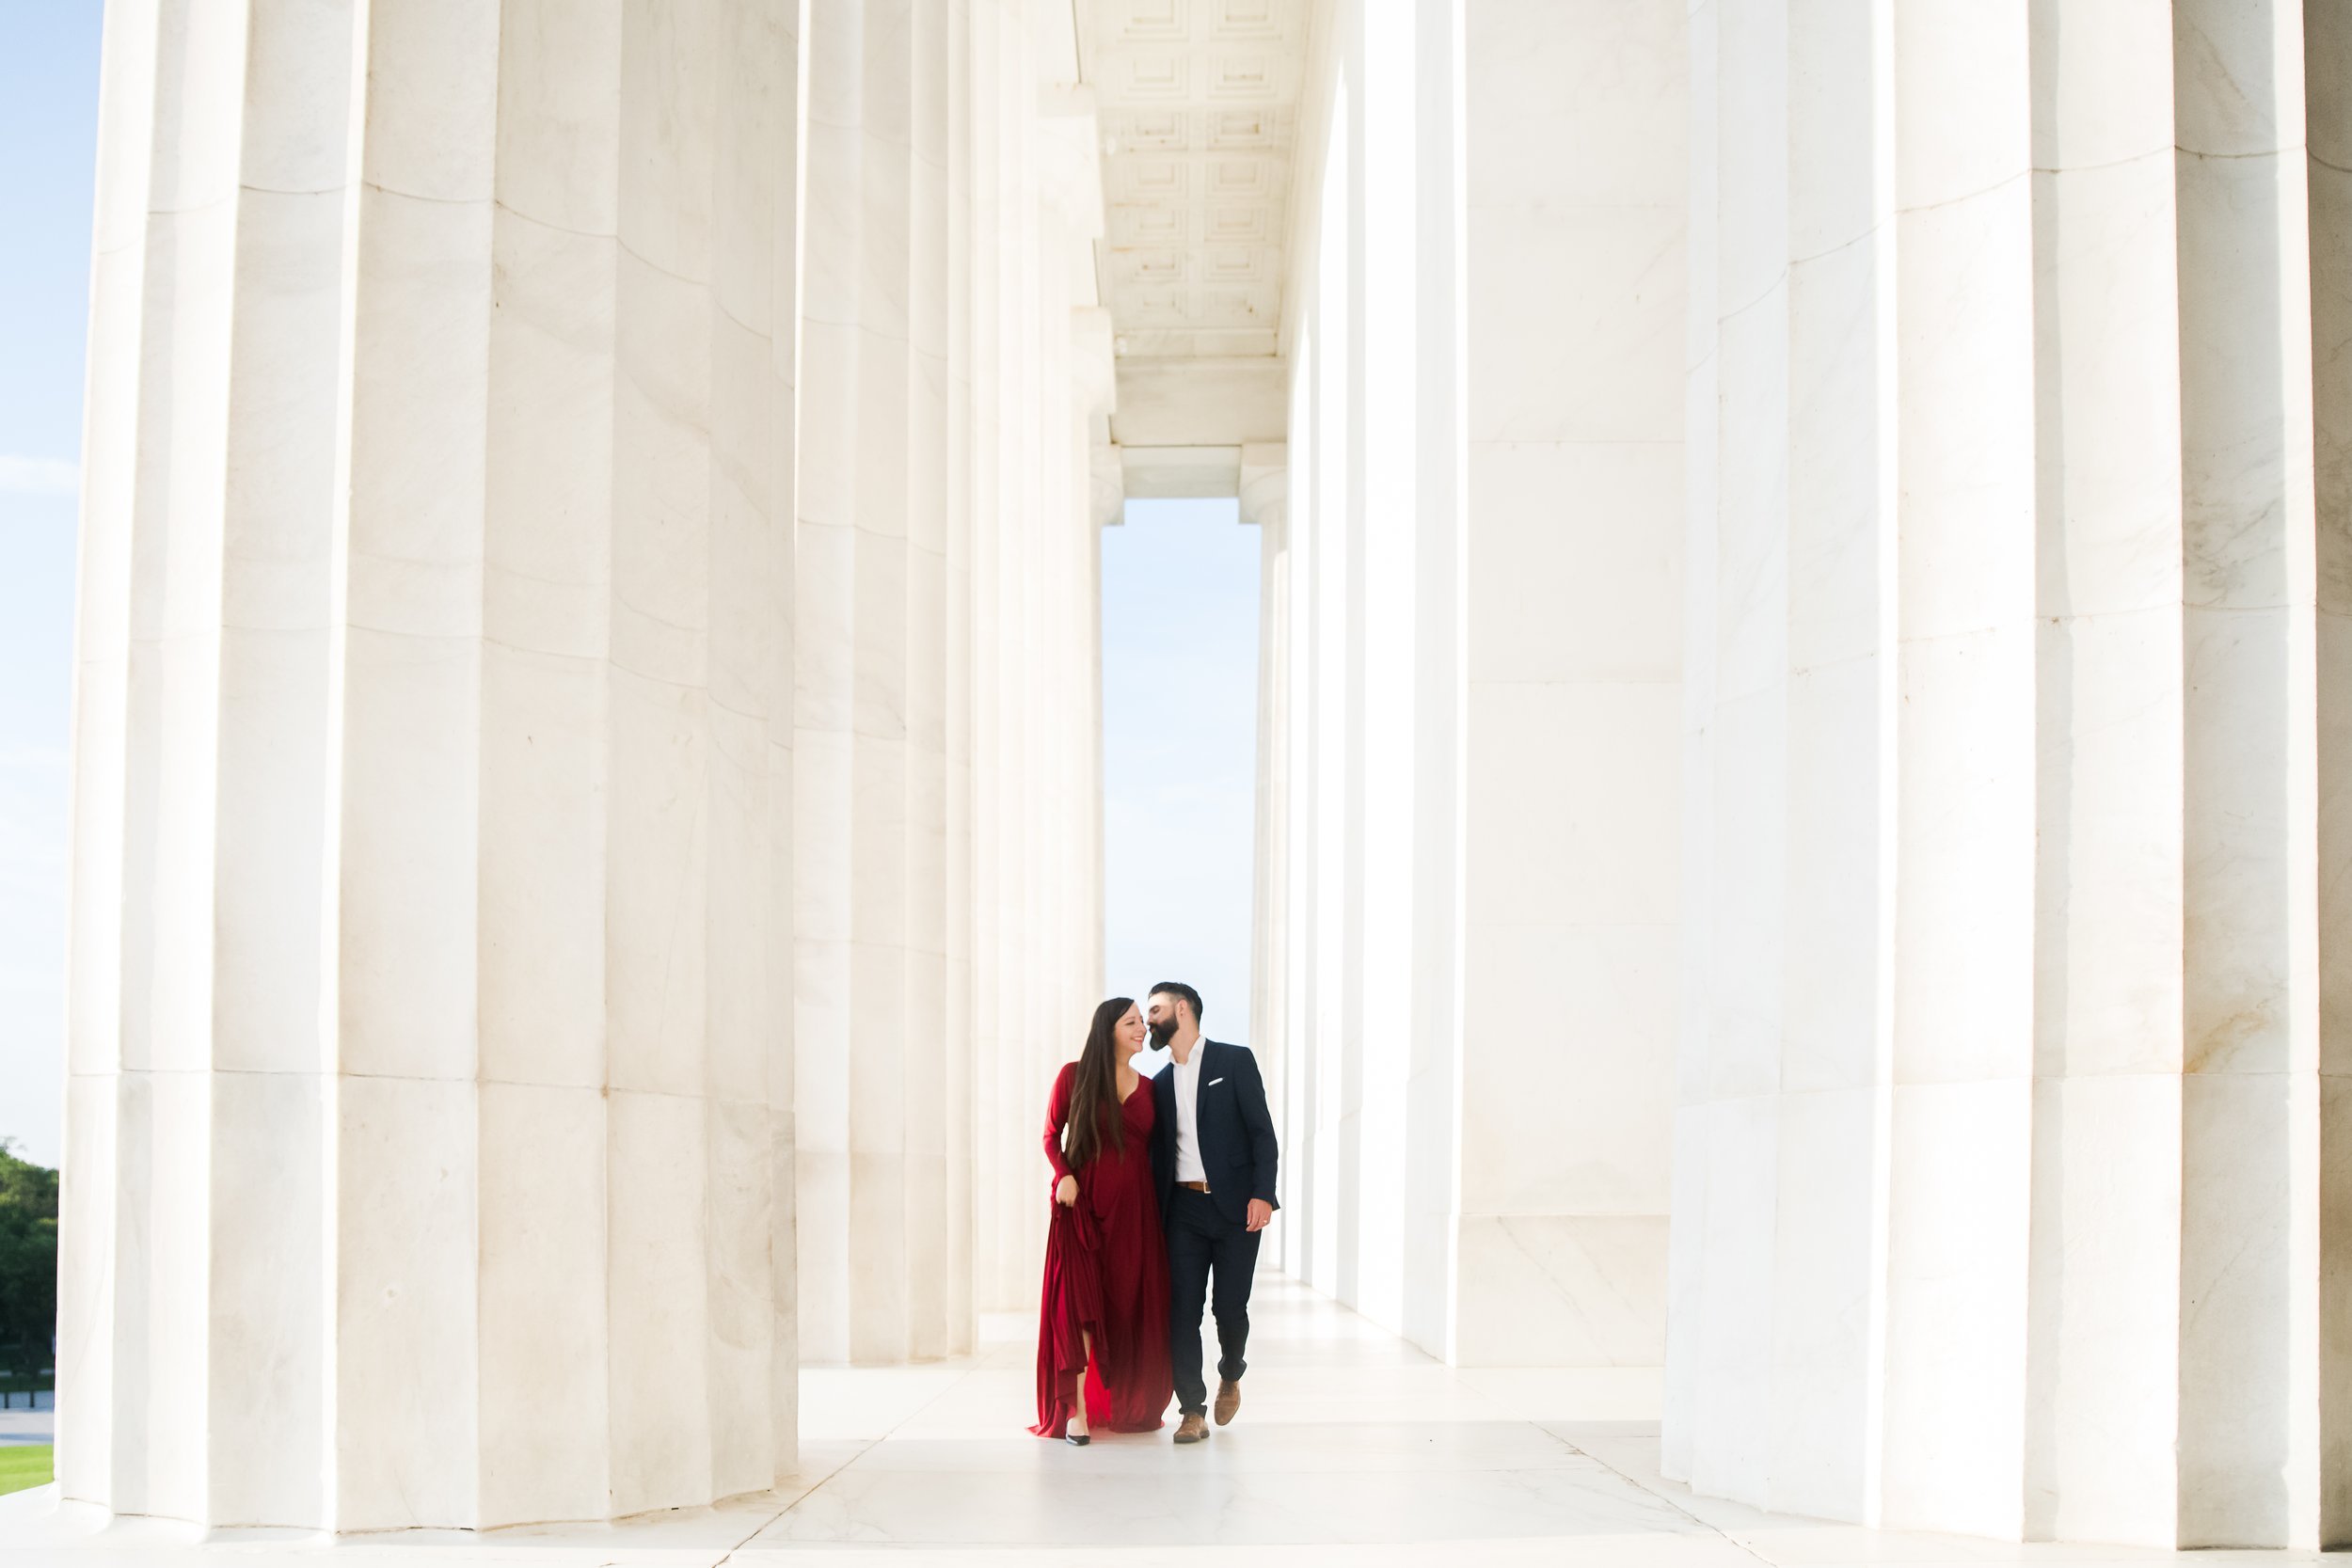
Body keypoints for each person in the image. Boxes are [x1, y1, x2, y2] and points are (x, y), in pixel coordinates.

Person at [1029, 996, 1173, 1444]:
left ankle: (1126, 1401)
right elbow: (1052, 1136)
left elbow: (1163, 1154)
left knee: (1126, 1303)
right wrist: (1064, 1175)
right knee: (1079, 1307)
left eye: (1142, 1024)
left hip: (1136, 1215)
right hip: (1082, 1207)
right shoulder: (1074, 1076)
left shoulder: (1151, 1088)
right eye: (1132, 1022)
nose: (1141, 1029)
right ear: (1108, 1028)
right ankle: (1077, 1412)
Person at [1147, 980, 1278, 1445]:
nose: (1149, 1020)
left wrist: (1264, 1193)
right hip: (1182, 1210)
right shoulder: (1158, 1085)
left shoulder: (1234, 1061)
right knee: (1181, 1311)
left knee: (1229, 1309)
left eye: (1156, 1009)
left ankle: (1231, 1371)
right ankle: (1191, 1410)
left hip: (1237, 1207)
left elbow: (1262, 1132)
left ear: (1183, 1010)